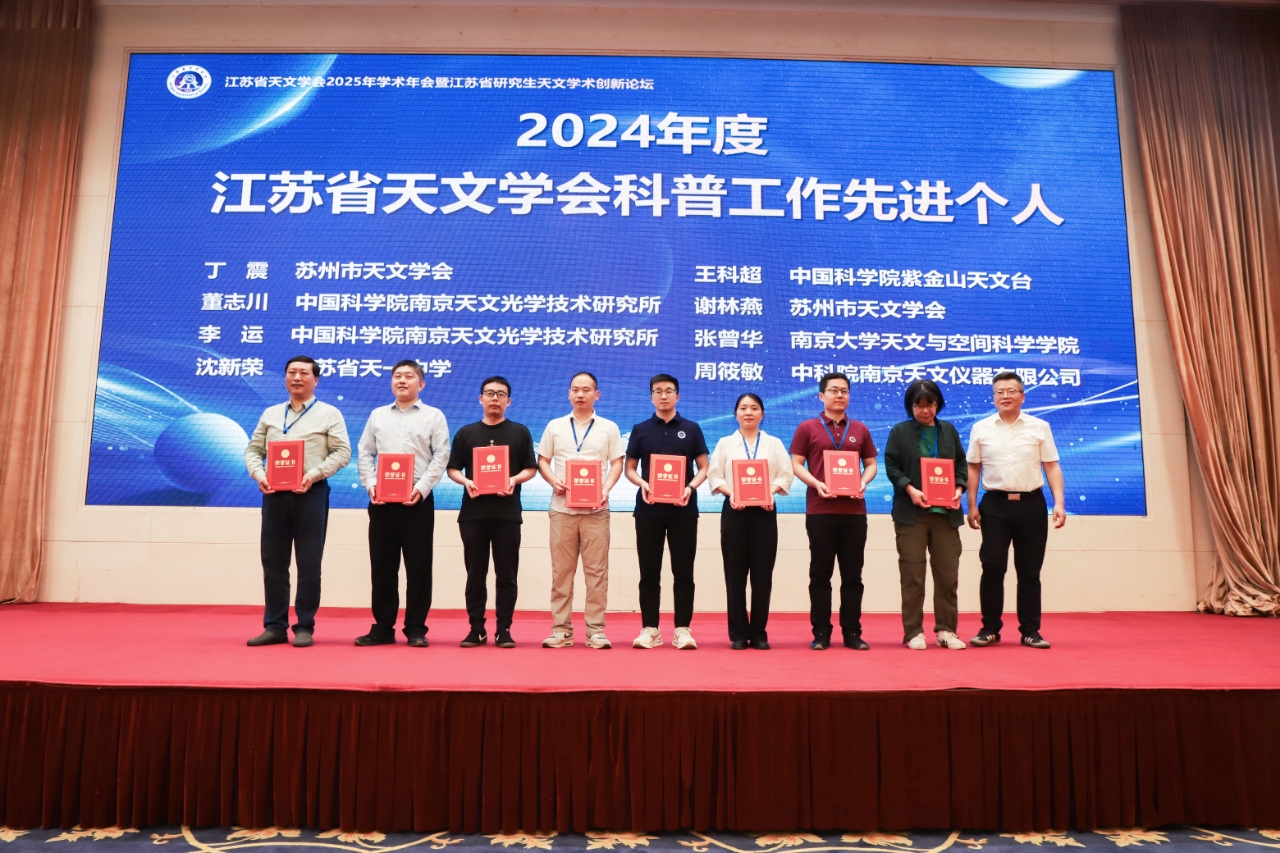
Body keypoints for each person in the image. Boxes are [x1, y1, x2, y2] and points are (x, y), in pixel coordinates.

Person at [244, 355, 351, 647]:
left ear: (316, 380)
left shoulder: (329, 413)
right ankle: (275, 626)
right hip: (274, 494)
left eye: (304, 373)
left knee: (309, 563)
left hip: (310, 493)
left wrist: (314, 475)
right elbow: (253, 450)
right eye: (291, 372)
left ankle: (304, 626)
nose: (297, 377)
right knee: (273, 562)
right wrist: (259, 474)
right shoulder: (271, 413)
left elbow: (343, 452)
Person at [966, 371, 1066, 649]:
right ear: (993, 397)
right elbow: (973, 468)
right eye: (999, 392)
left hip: (1031, 505)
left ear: (1023, 396)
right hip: (994, 506)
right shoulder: (981, 428)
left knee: (1029, 570)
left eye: (1011, 391)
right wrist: (971, 505)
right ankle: (989, 628)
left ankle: (1030, 631)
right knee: (993, 566)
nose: (1005, 396)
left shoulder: (1039, 427)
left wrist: (1059, 503)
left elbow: (1051, 466)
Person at [354, 359, 450, 648]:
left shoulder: (434, 416)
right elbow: (364, 452)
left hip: (417, 501)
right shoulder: (378, 415)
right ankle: (383, 627)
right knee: (382, 567)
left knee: (419, 567)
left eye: (409, 376)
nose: (402, 380)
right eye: (397, 376)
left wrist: (421, 488)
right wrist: (371, 484)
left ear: (421, 384)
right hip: (382, 502)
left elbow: (441, 456)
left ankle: (416, 628)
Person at [536, 371, 626, 650]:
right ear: (569, 394)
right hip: (561, 510)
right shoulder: (555, 426)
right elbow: (543, 460)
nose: (580, 394)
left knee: (596, 573)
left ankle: (595, 631)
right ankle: (561, 630)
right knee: (561, 573)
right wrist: (554, 481)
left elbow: (617, 463)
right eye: (575, 389)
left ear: (596, 395)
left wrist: (606, 489)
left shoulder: (609, 427)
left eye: (586, 390)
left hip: (596, 512)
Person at [447, 376, 538, 648]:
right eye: (489, 393)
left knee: (507, 575)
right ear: (480, 399)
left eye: (500, 394)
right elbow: (453, 468)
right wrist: (467, 482)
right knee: (475, 575)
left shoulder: (519, 432)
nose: (495, 398)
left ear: (509, 401)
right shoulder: (466, 433)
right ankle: (476, 628)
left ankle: (504, 629)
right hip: (473, 514)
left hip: (507, 514)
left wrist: (513, 480)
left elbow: (530, 468)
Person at [790, 371, 878, 651]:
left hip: (854, 512)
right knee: (820, 574)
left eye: (844, 391)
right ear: (821, 395)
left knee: (853, 576)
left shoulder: (860, 429)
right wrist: (817, 484)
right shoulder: (807, 428)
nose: (839, 395)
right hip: (820, 511)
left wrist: (862, 482)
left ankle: (852, 632)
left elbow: (871, 464)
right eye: (833, 390)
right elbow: (796, 464)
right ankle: (821, 632)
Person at [624, 373, 709, 650]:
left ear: (677, 396)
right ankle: (650, 629)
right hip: (648, 510)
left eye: (669, 391)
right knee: (649, 572)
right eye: (658, 391)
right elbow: (629, 468)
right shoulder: (641, 429)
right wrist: (642, 483)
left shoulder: (692, 428)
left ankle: (682, 629)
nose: (664, 395)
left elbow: (704, 467)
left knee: (683, 572)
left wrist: (690, 487)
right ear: (651, 396)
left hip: (684, 510)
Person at [883, 380, 968, 651]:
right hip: (912, 515)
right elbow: (892, 467)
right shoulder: (900, 431)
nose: (924, 410)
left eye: (929, 404)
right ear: (910, 406)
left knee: (947, 575)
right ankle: (913, 632)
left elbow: (961, 465)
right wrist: (910, 489)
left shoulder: (948, 430)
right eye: (918, 405)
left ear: (937, 404)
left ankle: (946, 630)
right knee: (913, 576)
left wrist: (958, 490)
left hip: (946, 515)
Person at [707, 393, 794, 650]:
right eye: (743, 408)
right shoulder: (725, 443)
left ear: (762, 414)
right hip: (734, 511)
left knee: (762, 575)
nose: (748, 412)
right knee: (734, 575)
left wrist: (771, 491)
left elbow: (785, 474)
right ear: (735, 414)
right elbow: (715, 475)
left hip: (764, 513)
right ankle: (737, 633)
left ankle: (759, 632)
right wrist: (732, 493)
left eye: (754, 408)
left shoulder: (774, 443)